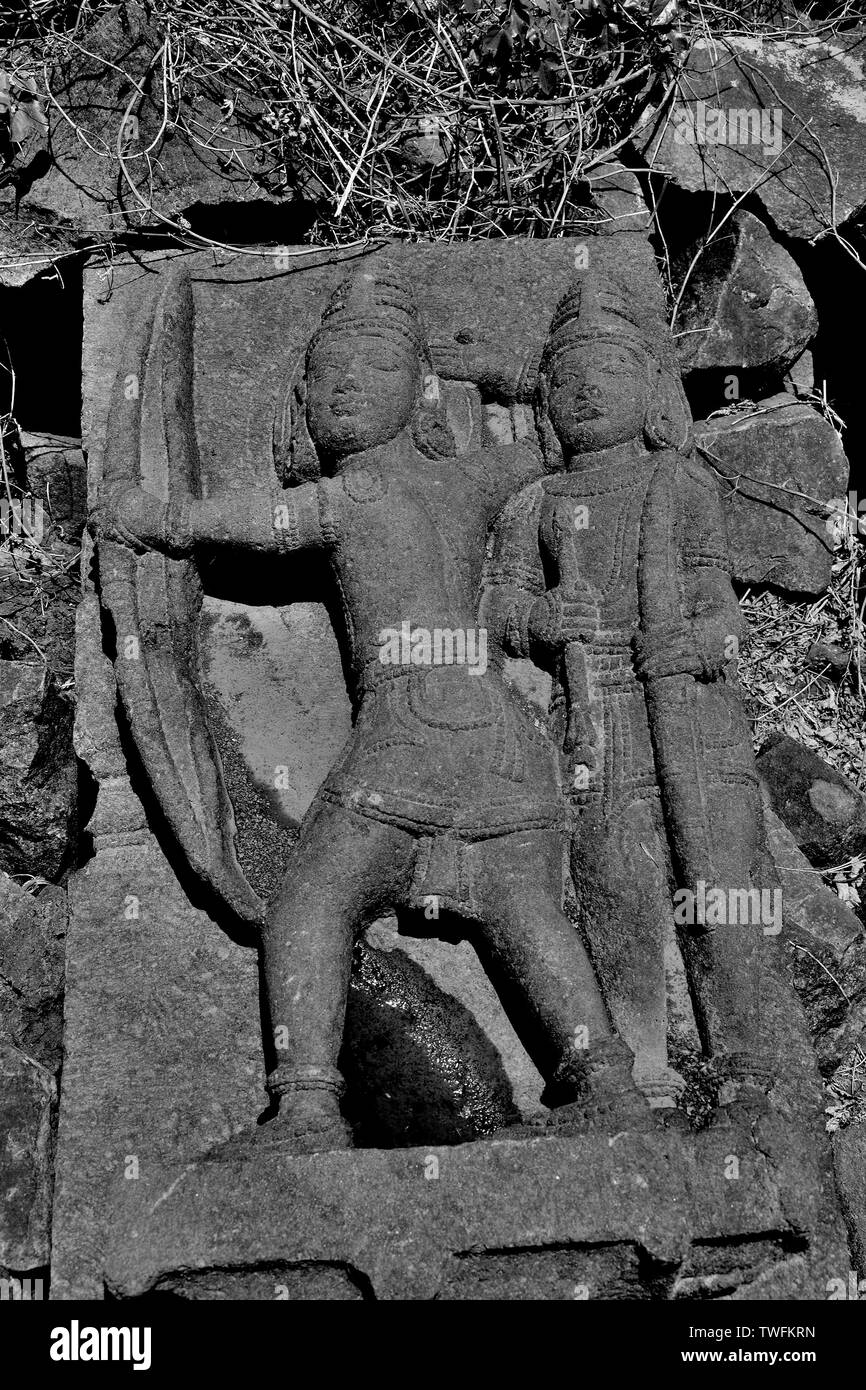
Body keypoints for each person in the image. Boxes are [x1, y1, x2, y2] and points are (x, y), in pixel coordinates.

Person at [96, 263, 650, 1152]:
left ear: (416, 394)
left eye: (377, 369)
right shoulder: (468, 481)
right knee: (523, 907)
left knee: (309, 904)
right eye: (328, 374)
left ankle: (308, 1106)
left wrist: (152, 516)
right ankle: (614, 1093)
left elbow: (253, 525)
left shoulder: (355, 495)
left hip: (411, 729)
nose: (348, 386)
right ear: (300, 401)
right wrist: (506, 368)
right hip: (507, 742)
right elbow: (560, 433)